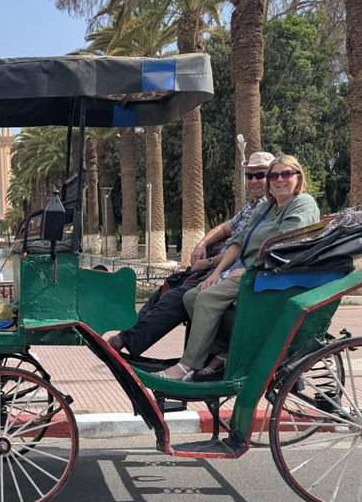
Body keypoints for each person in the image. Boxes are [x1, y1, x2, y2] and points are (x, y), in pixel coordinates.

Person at [158, 153, 321, 381]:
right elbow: (238, 240)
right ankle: (224, 351)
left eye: (286, 173)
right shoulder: (265, 208)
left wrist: (250, 269)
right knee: (193, 296)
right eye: (274, 175)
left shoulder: (302, 203)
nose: (279, 179)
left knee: (206, 299)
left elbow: (286, 245)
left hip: (273, 274)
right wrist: (215, 273)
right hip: (250, 271)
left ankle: (188, 366)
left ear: (298, 177)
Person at [105, 150, 276, 357]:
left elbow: (244, 249)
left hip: (231, 270)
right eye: (249, 176)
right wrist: (202, 244)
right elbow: (225, 228)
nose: (254, 181)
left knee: (177, 297)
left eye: (261, 175)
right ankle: (127, 337)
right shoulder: (253, 207)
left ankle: (124, 342)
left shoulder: (268, 208)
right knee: (163, 291)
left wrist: (209, 263)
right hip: (219, 267)